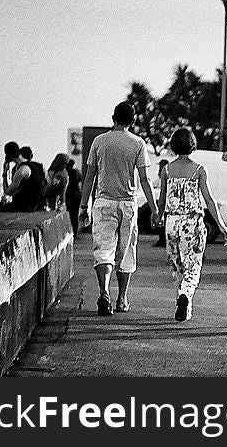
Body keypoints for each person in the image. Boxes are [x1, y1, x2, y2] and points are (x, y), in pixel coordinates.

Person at [79, 102, 159, 316]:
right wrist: (154, 208)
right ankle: (122, 299)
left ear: (113, 118)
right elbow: (144, 179)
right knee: (126, 252)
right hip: (128, 204)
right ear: (132, 121)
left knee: (104, 250)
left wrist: (83, 205)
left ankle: (104, 291)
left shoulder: (99, 142)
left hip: (103, 202)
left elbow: (89, 178)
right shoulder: (138, 143)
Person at [158, 127, 227, 322]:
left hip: (172, 221)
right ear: (193, 145)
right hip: (193, 222)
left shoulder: (166, 170)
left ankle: (182, 305)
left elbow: (162, 198)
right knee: (193, 265)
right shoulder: (199, 170)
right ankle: (185, 294)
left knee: (177, 265)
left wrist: (157, 216)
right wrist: (222, 227)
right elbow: (209, 200)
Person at [0, 141, 44, 212]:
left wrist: (4, 173)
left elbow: (8, 192)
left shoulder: (22, 170)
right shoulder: (34, 166)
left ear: (9, 156)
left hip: (24, 207)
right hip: (34, 205)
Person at [20, 146, 47, 211]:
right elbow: (45, 183)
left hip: (24, 202)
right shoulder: (40, 166)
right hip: (40, 202)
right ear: (31, 155)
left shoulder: (20, 167)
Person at [153, 159, 170, 248]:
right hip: (166, 204)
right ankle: (163, 239)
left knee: (161, 223)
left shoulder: (163, 177)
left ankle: (162, 240)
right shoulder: (168, 175)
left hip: (163, 203)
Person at [65, 159, 82, 234]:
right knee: (75, 215)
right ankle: (75, 231)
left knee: (70, 214)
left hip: (70, 195)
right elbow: (80, 180)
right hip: (77, 194)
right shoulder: (76, 172)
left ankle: (71, 231)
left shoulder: (67, 173)